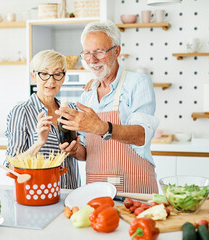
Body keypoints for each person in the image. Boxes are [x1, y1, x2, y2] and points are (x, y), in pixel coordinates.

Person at [56, 20, 159, 193]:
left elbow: (142, 135)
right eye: (87, 53)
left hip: (135, 188)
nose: (92, 60)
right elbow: (86, 153)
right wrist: (74, 149)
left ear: (117, 51)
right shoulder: (87, 95)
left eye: (99, 52)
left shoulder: (138, 83)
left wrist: (101, 127)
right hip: (96, 189)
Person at [4, 50, 85, 189]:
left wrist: (75, 150)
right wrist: (39, 143)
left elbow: (84, 156)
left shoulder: (71, 109)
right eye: (44, 74)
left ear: (64, 77)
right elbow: (11, 166)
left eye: (57, 74)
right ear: (33, 76)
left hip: (71, 193)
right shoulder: (21, 111)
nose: (51, 81)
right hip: (39, 194)